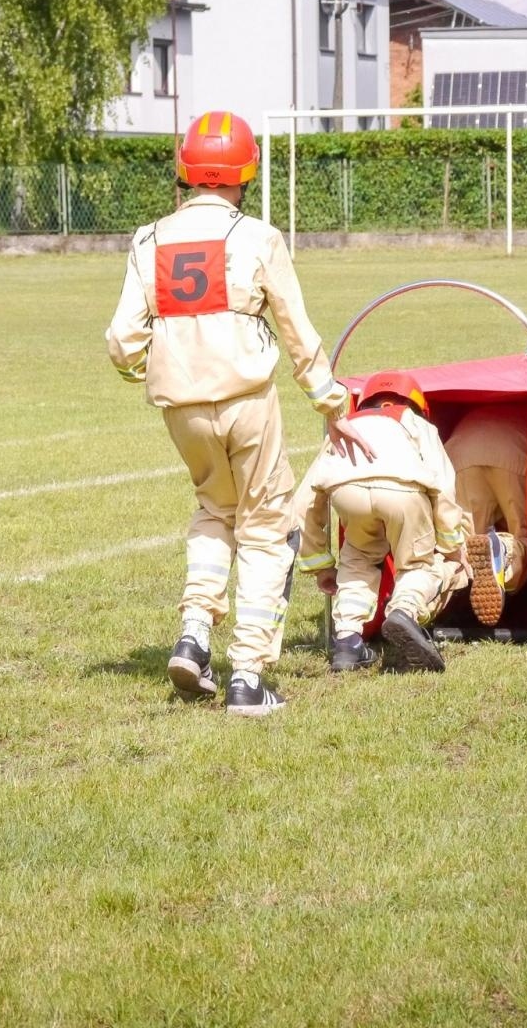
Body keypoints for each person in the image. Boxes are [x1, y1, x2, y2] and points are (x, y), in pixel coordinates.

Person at [105, 109, 371, 716]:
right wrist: (332, 403)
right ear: (244, 173)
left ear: (186, 170)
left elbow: (122, 342)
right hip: (249, 401)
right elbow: (297, 332)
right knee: (265, 528)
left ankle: (195, 632)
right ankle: (248, 676)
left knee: (212, 511)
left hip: (182, 410)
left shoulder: (148, 238)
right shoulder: (258, 237)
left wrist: (147, 370)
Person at [295, 370, 468, 674]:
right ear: (417, 405)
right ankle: (404, 611)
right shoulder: (419, 425)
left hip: (348, 493)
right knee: (417, 565)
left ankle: (347, 642)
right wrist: (450, 545)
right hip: (404, 491)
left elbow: (305, 501)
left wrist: (320, 564)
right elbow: (445, 487)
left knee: (358, 558)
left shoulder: (344, 427)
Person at [443, 404, 527, 627]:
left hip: (460, 453)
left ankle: (425, 602)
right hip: (514, 452)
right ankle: (503, 553)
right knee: (525, 536)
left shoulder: (477, 409)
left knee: (465, 543)